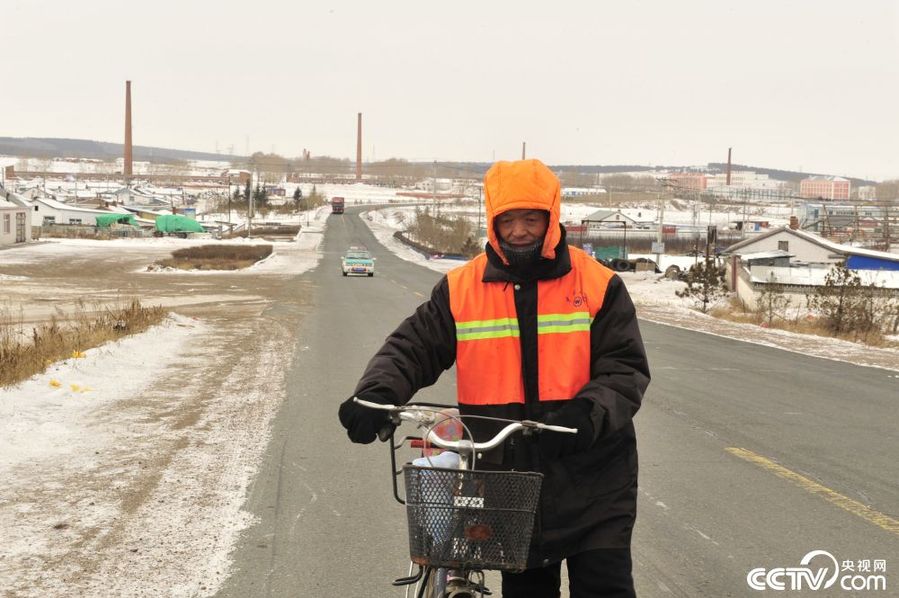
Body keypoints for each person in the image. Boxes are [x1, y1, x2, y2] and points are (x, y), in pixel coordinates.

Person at [339, 159, 650, 598]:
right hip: (509, 481)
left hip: (594, 476)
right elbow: (414, 347)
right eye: (508, 220)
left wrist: (586, 413)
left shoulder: (598, 285)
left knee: (604, 588)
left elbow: (624, 368)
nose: (520, 230)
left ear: (551, 216)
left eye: (531, 218)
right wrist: (376, 394)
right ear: (492, 220)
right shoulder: (462, 289)